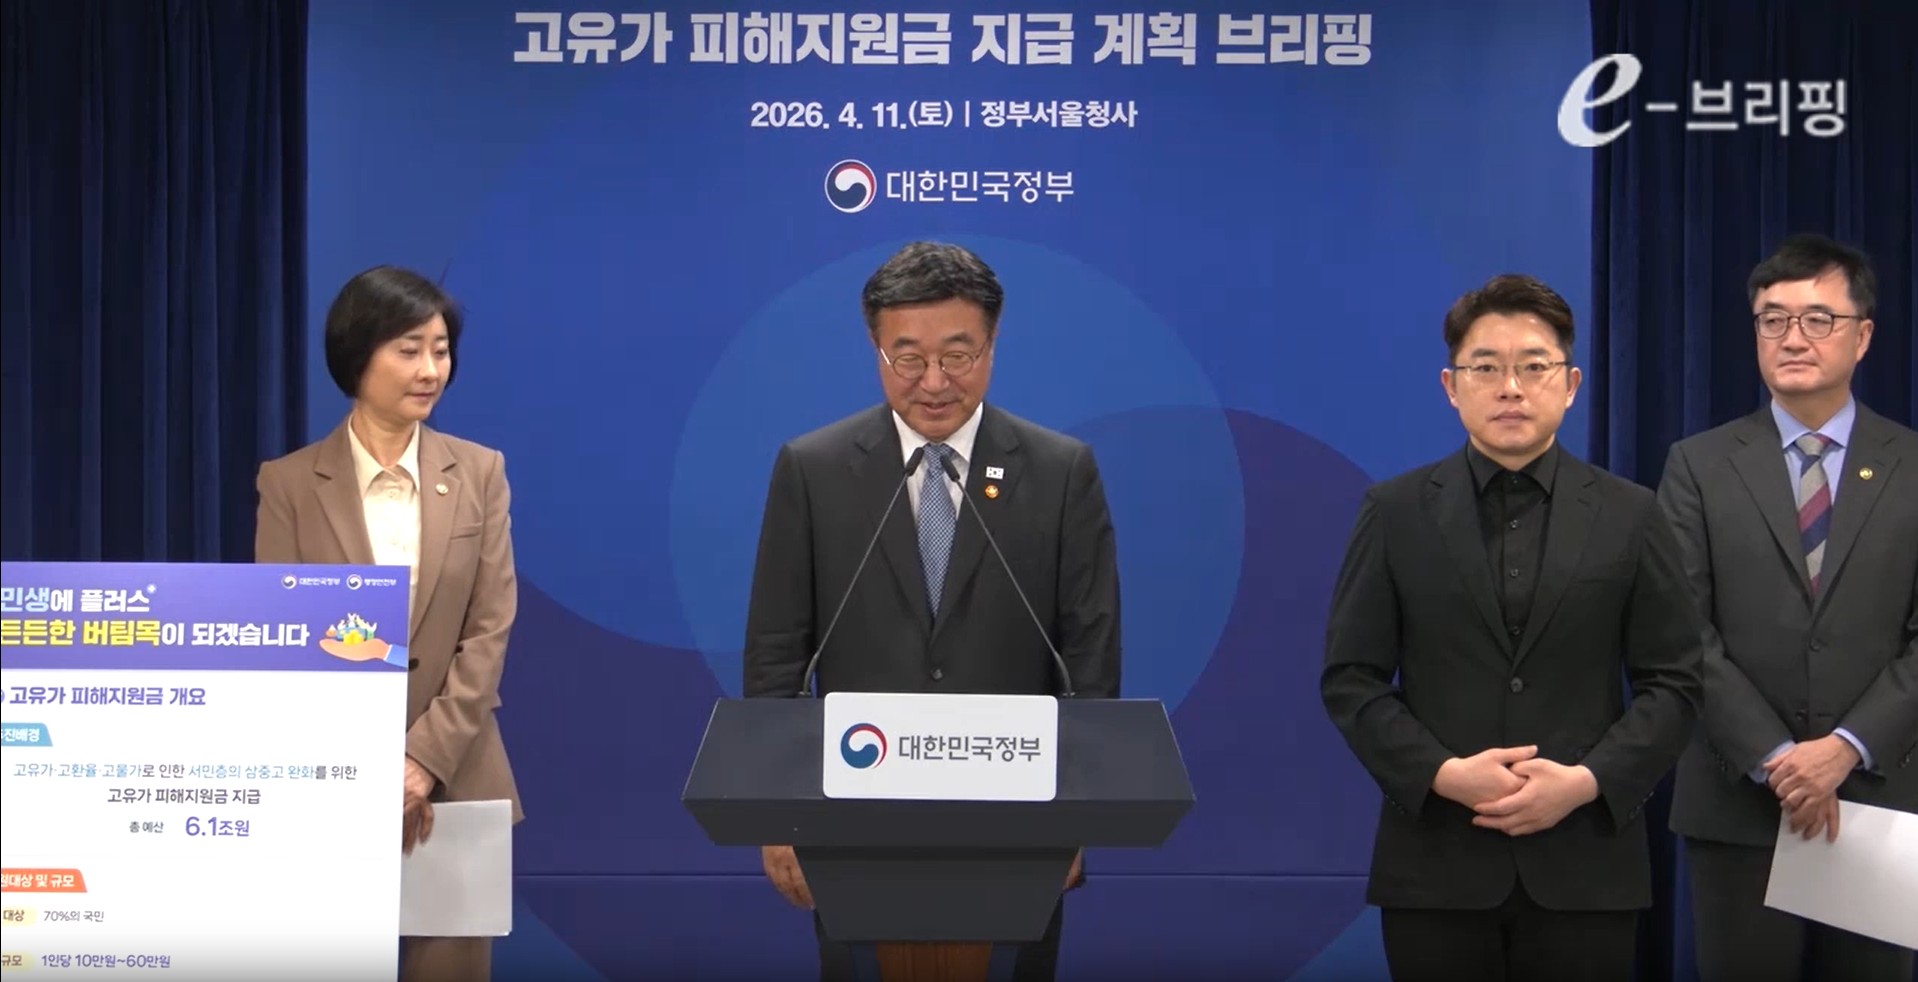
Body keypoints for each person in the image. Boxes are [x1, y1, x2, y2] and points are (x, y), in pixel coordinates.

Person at [740, 241, 1122, 981]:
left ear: (992, 345)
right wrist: (778, 814)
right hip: (855, 813)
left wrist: (1077, 816)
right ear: (876, 349)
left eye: (958, 355)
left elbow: (1091, 657)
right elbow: (776, 656)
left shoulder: (1060, 472)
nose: (936, 382)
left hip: (1016, 819)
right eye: (908, 358)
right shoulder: (813, 470)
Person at [1320, 274, 1703, 982]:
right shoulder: (1395, 511)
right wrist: (1442, 774)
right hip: (1437, 863)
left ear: (1571, 384)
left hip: (1585, 862)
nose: (1511, 388)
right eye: (1486, 368)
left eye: (1534, 366)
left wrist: (1587, 782)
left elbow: (1675, 682)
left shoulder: (1632, 514)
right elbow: (1351, 679)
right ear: (1450, 386)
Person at [1658, 233, 1917, 982]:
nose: (1792, 338)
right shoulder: (1698, 465)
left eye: (1817, 319)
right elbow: (1680, 630)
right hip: (1739, 801)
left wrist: (1844, 748)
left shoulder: (1912, 465)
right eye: (1773, 320)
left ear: (1862, 336)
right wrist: (1778, 761)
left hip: (1876, 797)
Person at [254, 265, 522, 981]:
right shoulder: (288, 484)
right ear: (357, 355)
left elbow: (489, 628)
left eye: (441, 350)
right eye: (409, 350)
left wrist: (422, 761)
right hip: (328, 780)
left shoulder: (480, 473)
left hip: (457, 776)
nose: (430, 370)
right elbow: (286, 638)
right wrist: (363, 766)